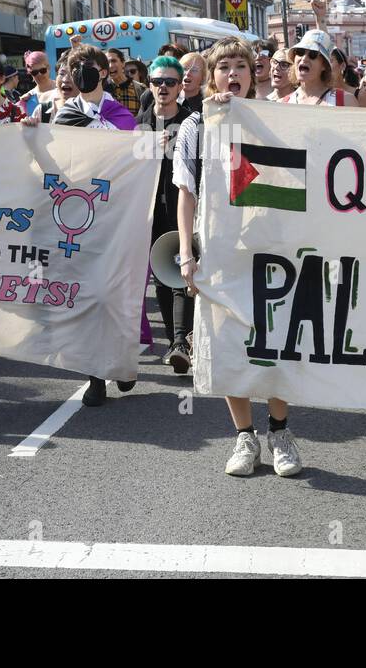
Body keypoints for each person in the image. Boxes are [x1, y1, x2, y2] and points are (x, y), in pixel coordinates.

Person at [175, 38, 303, 477]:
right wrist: (187, 254)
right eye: (224, 66)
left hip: (273, 252)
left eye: (241, 67)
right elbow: (186, 194)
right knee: (229, 346)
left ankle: (281, 431)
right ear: (212, 77)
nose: (233, 73)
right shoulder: (196, 128)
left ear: (254, 74)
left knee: (276, 344)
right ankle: (244, 438)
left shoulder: (278, 121)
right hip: (220, 254)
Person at [52, 44, 139, 406]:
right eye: (74, 67)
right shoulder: (64, 116)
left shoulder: (122, 116)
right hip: (79, 216)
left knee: (115, 293)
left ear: (103, 72)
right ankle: (94, 376)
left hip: (118, 216)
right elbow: (53, 160)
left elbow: (137, 164)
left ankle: (120, 361)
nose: (80, 72)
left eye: (87, 66)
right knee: (88, 294)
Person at [136, 55, 194, 374]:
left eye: (170, 82)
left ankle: (180, 342)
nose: (163, 87)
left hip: (180, 209)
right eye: (157, 81)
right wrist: (146, 149)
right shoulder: (139, 122)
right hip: (148, 213)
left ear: (179, 86)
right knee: (160, 276)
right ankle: (176, 341)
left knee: (180, 275)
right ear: (150, 85)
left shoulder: (190, 121)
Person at [280, 30, 357, 106]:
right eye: (300, 52)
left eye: (313, 54)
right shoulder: (284, 103)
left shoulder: (345, 101)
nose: (304, 58)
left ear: (324, 65)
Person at [104, 48, 146, 114]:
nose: (110, 66)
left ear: (123, 63)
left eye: (114, 61)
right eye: (107, 62)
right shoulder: (101, 91)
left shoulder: (140, 89)